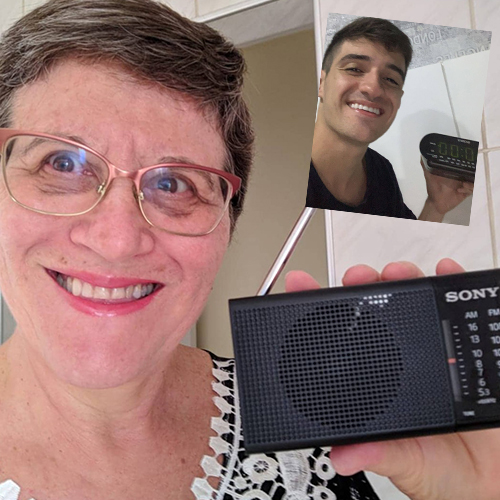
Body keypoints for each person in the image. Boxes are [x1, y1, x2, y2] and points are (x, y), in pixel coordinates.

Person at [0, 2, 497, 500]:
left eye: (174, 183)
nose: (117, 241)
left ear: (227, 226)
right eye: (61, 163)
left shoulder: (316, 437)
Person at [306, 17, 474, 222]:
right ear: (321, 84)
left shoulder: (381, 171)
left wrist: (435, 206)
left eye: (390, 79)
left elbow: (406, 242)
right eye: (354, 69)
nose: (373, 89)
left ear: (399, 99)